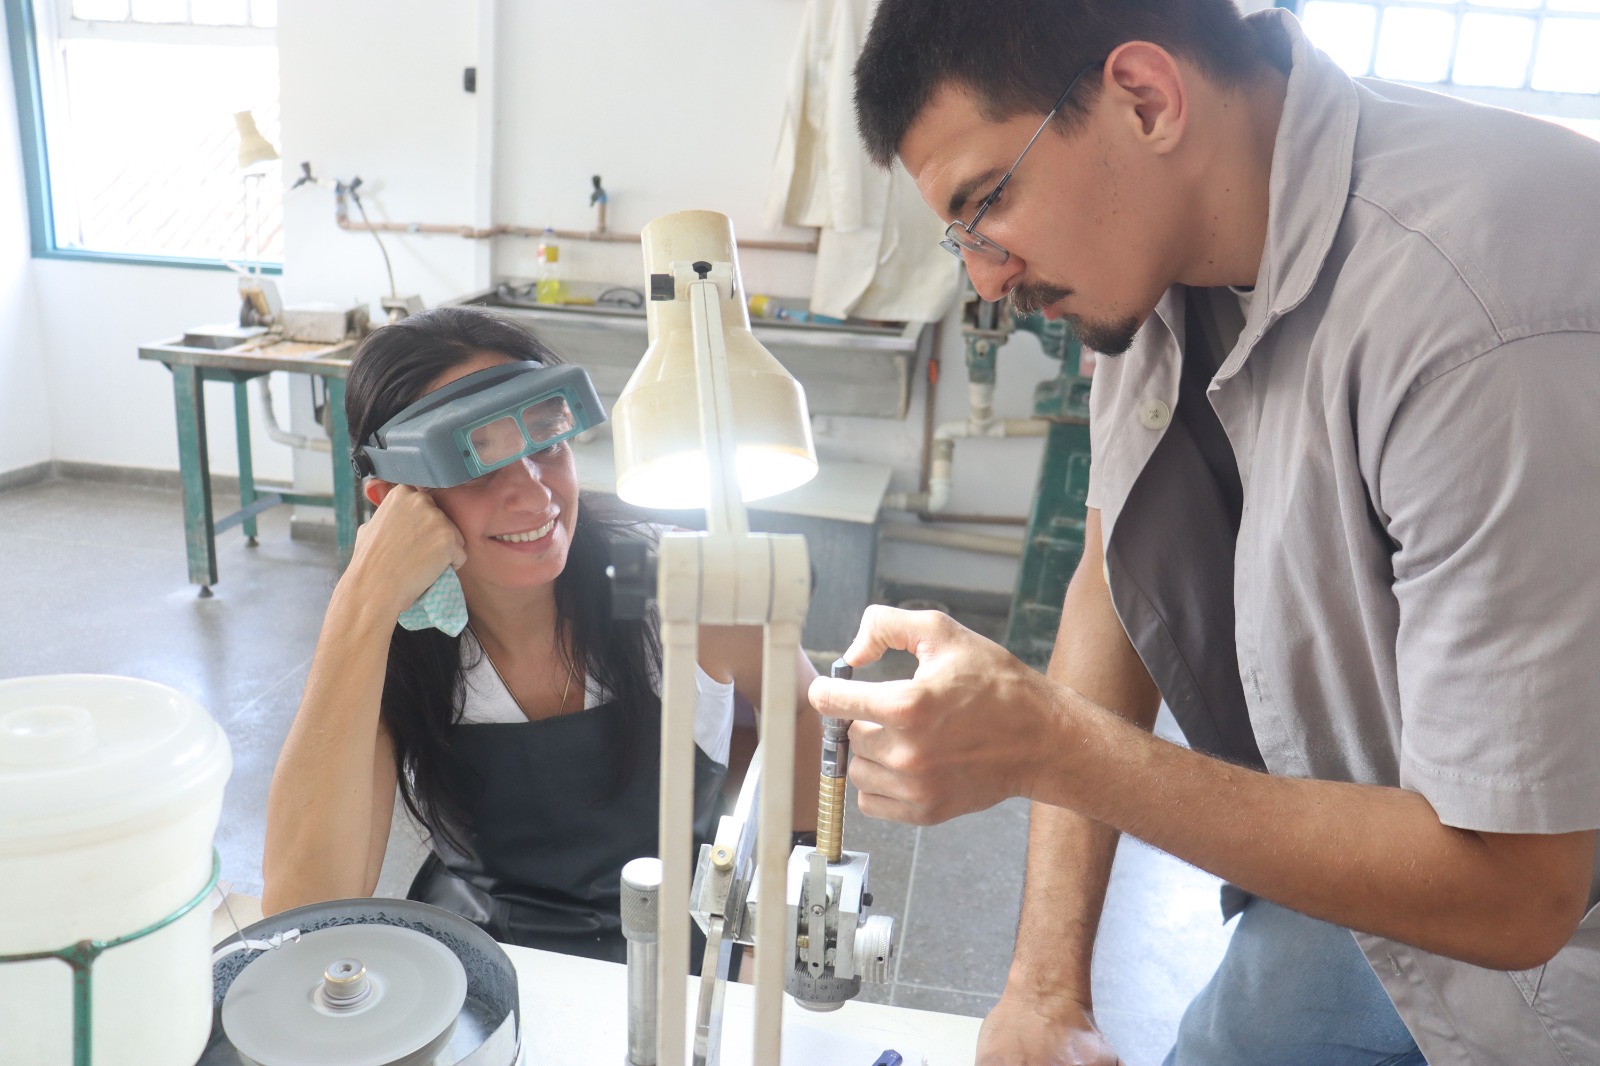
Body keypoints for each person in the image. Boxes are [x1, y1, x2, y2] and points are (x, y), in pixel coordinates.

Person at [810, 2, 1600, 1064]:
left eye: (987, 200)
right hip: (1369, 843)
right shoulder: (1156, 249)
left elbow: (1518, 891)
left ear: (1145, 98)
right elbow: (1111, 562)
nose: (985, 277)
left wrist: (1051, 744)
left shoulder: (1480, 306)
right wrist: (1046, 992)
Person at [262, 306, 821, 965]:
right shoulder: (401, 641)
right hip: (480, 955)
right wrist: (362, 601)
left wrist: (777, 905)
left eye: (546, 444)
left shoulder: (654, 580)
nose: (534, 497)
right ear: (397, 503)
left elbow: (800, 708)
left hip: (680, 945)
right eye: (477, 466)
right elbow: (302, 911)